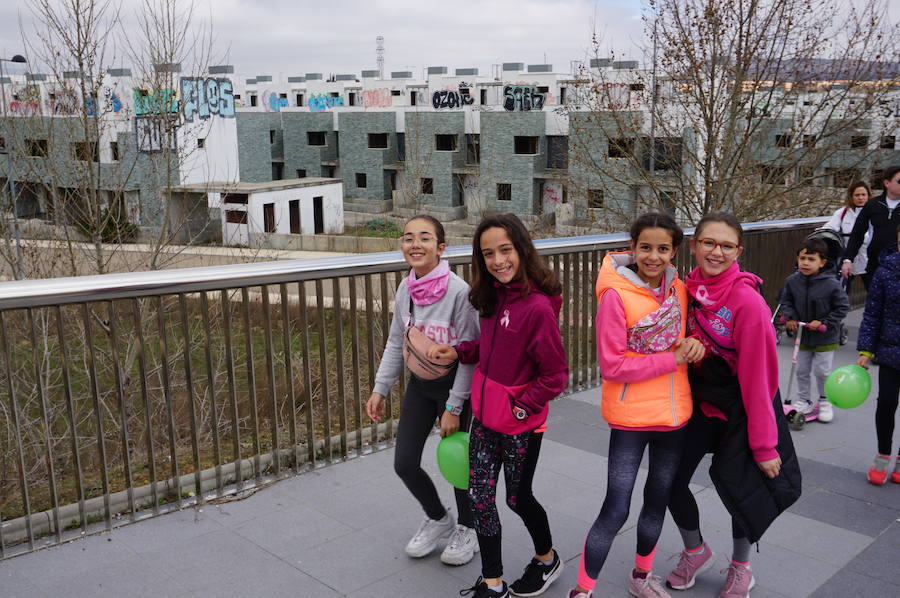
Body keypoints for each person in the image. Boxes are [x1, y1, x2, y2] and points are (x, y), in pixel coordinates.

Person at [428, 213, 568, 598]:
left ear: (522, 250)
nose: (498, 260)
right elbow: (489, 352)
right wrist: (457, 350)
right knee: (480, 498)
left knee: (517, 498)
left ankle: (546, 559)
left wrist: (521, 408)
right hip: (486, 421)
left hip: (521, 425)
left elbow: (555, 375)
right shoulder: (491, 300)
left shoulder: (537, 309)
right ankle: (493, 583)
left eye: (505, 250)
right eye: (488, 253)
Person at [568, 213, 705, 598]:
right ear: (632, 248)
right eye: (645, 247)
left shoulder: (678, 290)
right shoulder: (615, 294)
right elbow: (612, 365)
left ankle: (641, 576)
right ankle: (583, 589)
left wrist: (694, 347)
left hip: (673, 415)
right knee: (616, 507)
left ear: (674, 251)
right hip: (631, 418)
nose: (653, 256)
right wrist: (672, 359)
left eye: (663, 249)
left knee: (656, 502)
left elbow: (685, 340)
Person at [666, 212, 801, 598]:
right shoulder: (683, 290)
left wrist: (764, 445)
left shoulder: (748, 303)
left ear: (738, 251)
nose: (716, 251)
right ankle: (696, 551)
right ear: (694, 246)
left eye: (726, 245)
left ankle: (741, 567)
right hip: (701, 403)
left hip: (742, 408)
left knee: (742, 489)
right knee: (669, 481)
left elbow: (761, 381)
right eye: (709, 242)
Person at [365, 215, 480, 566]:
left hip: (456, 388)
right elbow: (396, 340)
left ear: (440, 248)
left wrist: (455, 407)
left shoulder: (460, 293)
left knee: (460, 464)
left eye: (425, 238)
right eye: (408, 238)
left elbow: (469, 355)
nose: (415, 244)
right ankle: (438, 517)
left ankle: (468, 528)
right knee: (404, 463)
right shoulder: (406, 289)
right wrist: (380, 388)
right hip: (420, 386)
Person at [781, 237, 850, 423]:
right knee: (801, 369)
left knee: (822, 371)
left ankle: (825, 400)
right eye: (802, 258)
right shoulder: (792, 281)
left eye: (811, 259)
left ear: (822, 262)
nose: (805, 263)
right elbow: (786, 301)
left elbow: (842, 307)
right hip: (802, 336)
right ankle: (803, 399)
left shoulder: (831, 284)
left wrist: (824, 322)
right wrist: (790, 317)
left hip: (825, 337)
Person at [856, 223, 900, 485]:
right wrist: (866, 349)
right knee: (886, 403)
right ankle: (883, 455)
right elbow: (872, 313)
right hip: (890, 350)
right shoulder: (886, 271)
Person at [841, 165, 900, 289]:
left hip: (898, 266)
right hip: (876, 263)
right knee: (875, 303)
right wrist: (848, 259)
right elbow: (857, 233)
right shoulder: (873, 204)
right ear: (887, 183)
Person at [823, 180, 871, 289]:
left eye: (863, 195)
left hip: (869, 258)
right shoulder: (842, 212)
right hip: (848, 259)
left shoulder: (874, 212)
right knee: (841, 290)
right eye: (857, 195)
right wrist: (821, 231)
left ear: (868, 196)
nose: (860, 198)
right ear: (851, 196)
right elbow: (831, 227)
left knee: (873, 290)